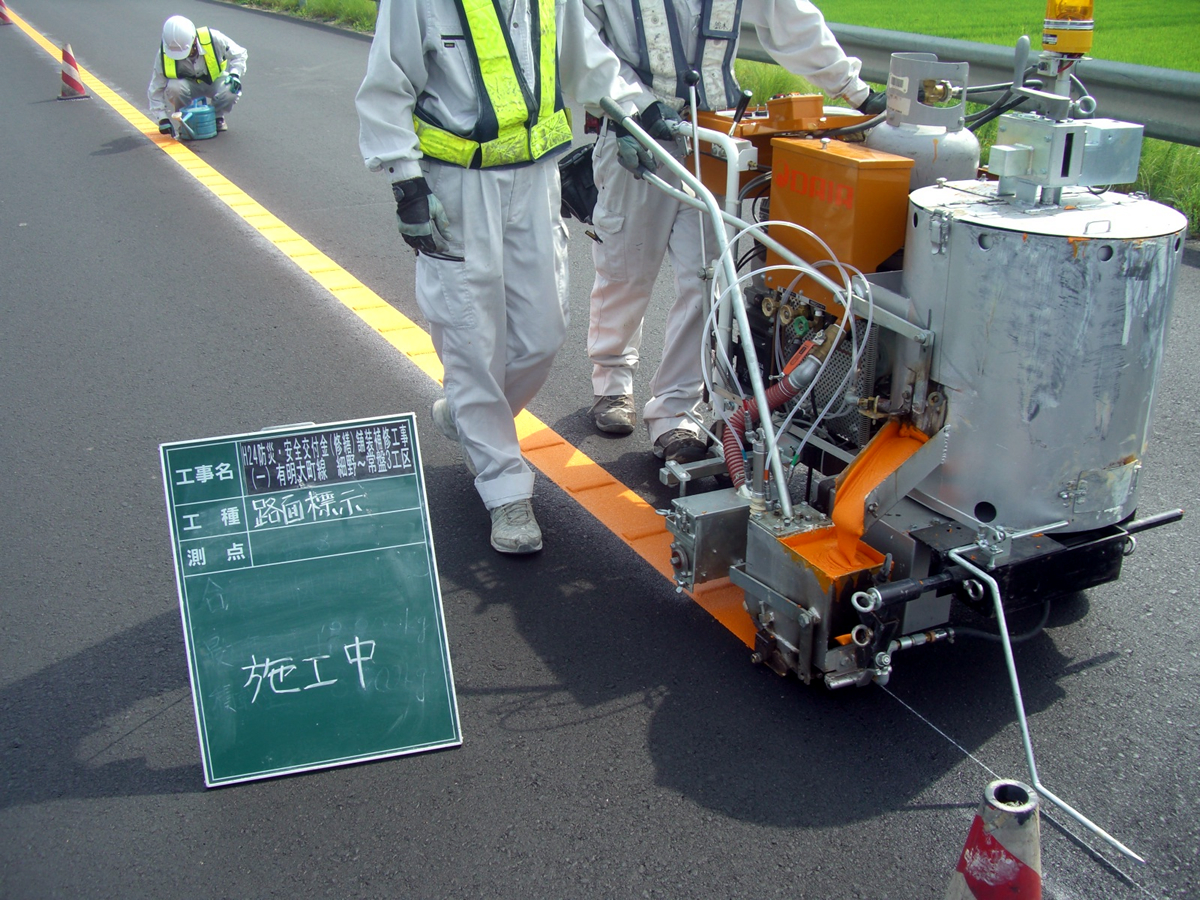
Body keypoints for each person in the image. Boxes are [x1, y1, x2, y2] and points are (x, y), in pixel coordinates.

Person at [356, 0, 638, 554]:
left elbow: (587, 60)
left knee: (542, 333)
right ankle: (505, 487)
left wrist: (634, 114)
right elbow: (389, 82)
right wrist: (406, 181)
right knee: (470, 339)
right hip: (460, 186)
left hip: (536, 182)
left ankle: (469, 413)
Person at [581, 0, 885, 464]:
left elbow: (790, 18)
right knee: (627, 269)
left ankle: (675, 413)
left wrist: (855, 90)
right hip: (635, 135)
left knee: (707, 281)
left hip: (712, 136)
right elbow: (579, 38)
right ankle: (611, 381)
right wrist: (631, 107)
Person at [148, 15, 247, 136]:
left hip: (214, 80)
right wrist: (161, 118)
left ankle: (216, 117)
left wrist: (235, 74)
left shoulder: (213, 38)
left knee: (231, 88)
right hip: (186, 85)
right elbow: (156, 86)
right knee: (174, 87)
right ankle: (186, 119)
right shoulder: (164, 53)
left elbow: (240, 54)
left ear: (194, 39)